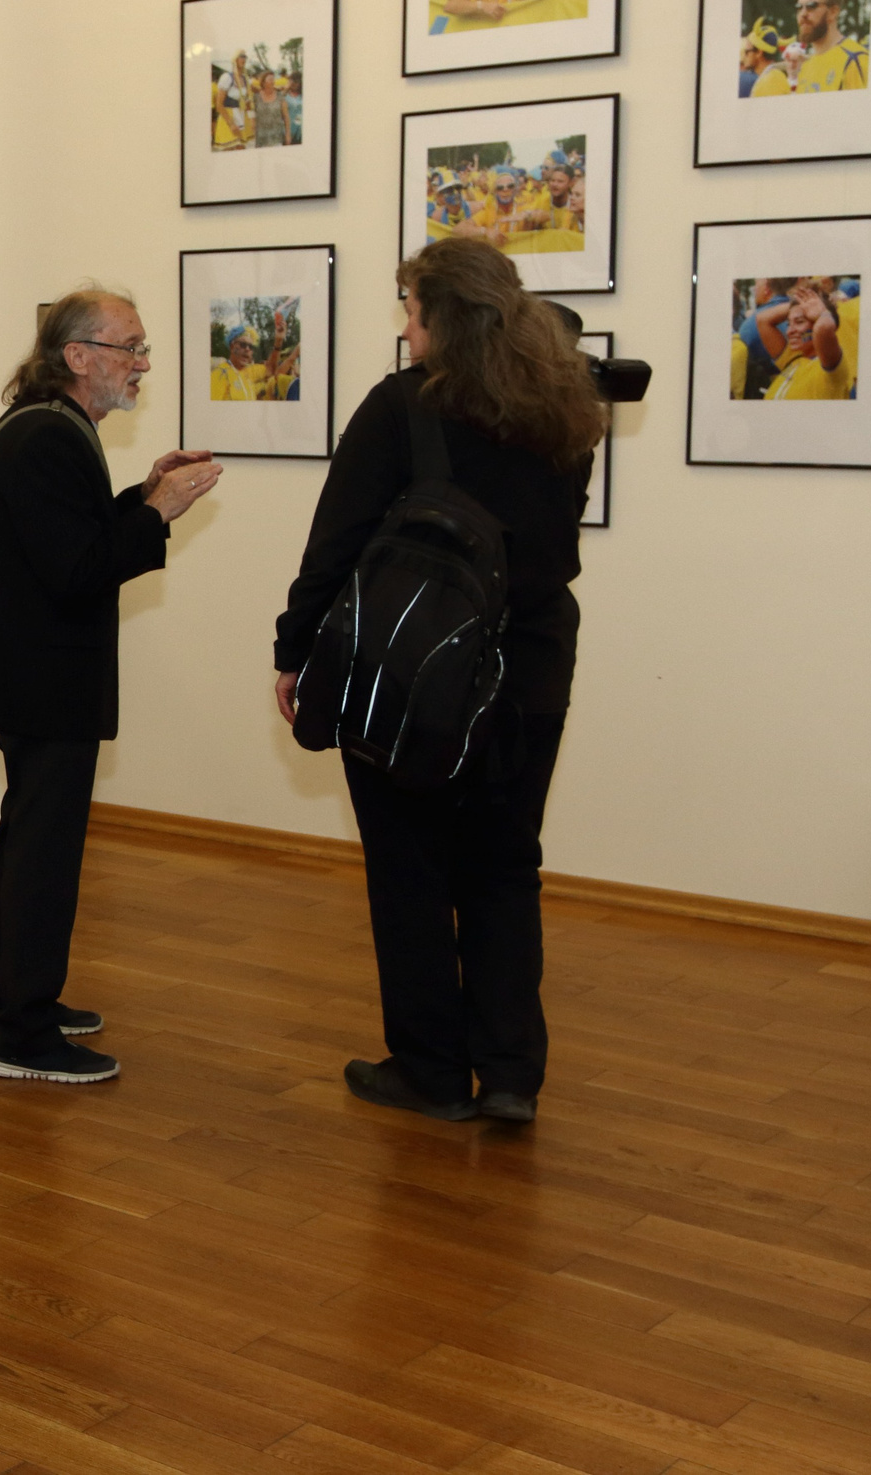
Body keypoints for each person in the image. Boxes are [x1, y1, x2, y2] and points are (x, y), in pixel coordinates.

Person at [272, 236, 603, 1127]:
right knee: (504, 867)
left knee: (410, 867)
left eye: (412, 311)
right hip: (530, 670)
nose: (407, 330)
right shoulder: (568, 408)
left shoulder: (400, 408)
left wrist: (293, 649)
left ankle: (429, 1069)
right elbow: (553, 546)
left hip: (411, 675)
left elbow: (335, 543)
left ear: (442, 316)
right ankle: (509, 1076)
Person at [0, 289, 220, 1086]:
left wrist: (144, 495)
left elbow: (69, 535)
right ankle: (22, 1029)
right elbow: (77, 569)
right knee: (43, 851)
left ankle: (16, 989)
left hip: (37, 675)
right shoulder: (48, 437)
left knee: (30, 837)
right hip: (46, 681)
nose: (142, 364)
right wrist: (160, 513)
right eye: (130, 348)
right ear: (78, 356)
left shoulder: (51, 426)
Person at [788, 0, 869, 93]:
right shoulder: (805, 67)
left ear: (833, 12)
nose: (803, 14)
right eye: (799, 7)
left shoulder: (855, 60)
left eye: (811, 6)